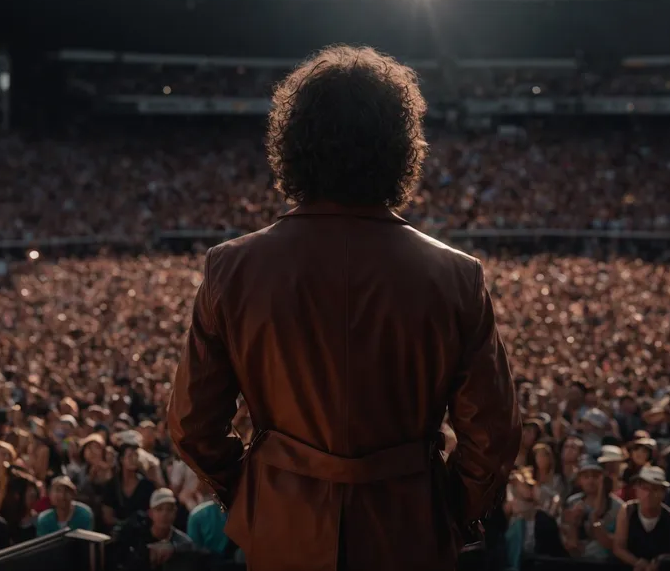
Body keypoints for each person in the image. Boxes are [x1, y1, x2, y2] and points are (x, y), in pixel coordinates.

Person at [167, 45, 521, 571]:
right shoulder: (455, 275)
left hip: (284, 532)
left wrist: (257, 495)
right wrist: (447, 514)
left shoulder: (232, 268)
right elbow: (493, 435)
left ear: (293, 144)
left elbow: (192, 424)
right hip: (408, 533)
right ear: (400, 147)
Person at [613, 466, 670, 568]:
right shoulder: (627, 511)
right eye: (644, 488)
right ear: (636, 490)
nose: (648, 494)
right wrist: (637, 563)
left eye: (655, 489)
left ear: (663, 493)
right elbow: (618, 548)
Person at [560, 458, 621, 561]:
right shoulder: (572, 502)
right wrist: (574, 523)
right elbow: (568, 542)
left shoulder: (617, 506)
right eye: (586, 477)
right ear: (579, 480)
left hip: (606, 562)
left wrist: (595, 520)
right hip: (577, 561)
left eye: (595, 476)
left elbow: (617, 545)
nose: (590, 481)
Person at [101, 444, 156, 531]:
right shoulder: (112, 485)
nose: (134, 459)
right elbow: (107, 517)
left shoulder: (147, 485)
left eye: (136, 456)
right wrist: (125, 524)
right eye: (130, 456)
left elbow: (153, 514)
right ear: (122, 459)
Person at [144, 488, 194, 570]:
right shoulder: (139, 539)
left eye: (169, 509)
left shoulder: (184, 543)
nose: (164, 514)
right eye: (159, 509)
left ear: (175, 512)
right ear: (151, 513)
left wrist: (175, 550)